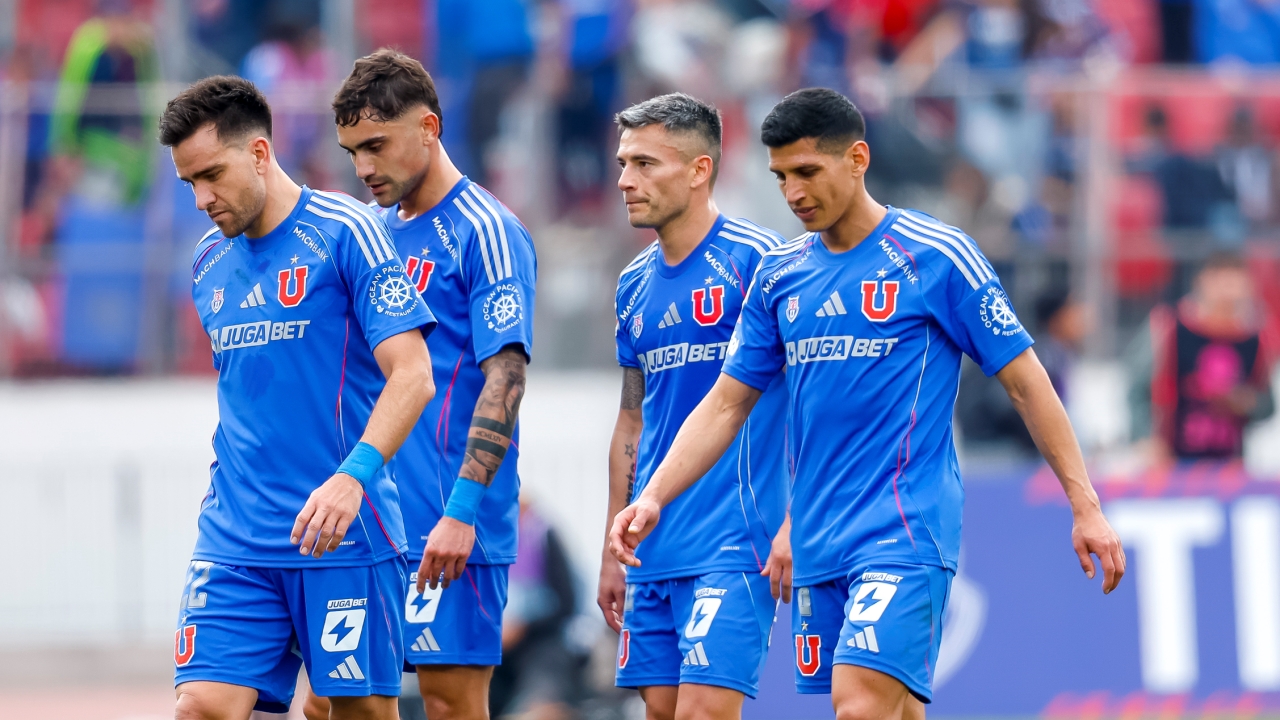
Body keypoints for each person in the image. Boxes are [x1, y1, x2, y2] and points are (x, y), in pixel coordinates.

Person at [608, 88, 1125, 720]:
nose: (794, 194)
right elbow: (725, 405)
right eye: (780, 178)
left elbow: (1026, 381)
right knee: (892, 709)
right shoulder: (780, 277)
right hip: (819, 536)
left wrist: (1085, 506)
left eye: (807, 173)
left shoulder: (935, 255)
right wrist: (654, 495)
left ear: (857, 158)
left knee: (859, 707)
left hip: (902, 525)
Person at [162, 76, 437, 719]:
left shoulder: (346, 233)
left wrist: (352, 479)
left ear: (259, 153)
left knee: (349, 712)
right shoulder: (207, 263)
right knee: (201, 705)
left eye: (211, 175)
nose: (202, 199)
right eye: (188, 184)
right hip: (236, 535)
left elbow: (413, 374)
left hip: (343, 535)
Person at [305, 49, 537, 720]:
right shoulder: (370, 236)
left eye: (376, 144)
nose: (364, 168)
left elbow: (508, 377)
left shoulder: (487, 232)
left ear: (430, 128)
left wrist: (462, 511)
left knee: (447, 703)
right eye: (352, 151)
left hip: (448, 520)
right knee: (328, 700)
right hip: (371, 521)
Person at [598, 93, 792, 720]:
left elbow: (811, 397)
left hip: (735, 537)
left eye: (646, 163)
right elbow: (634, 418)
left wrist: (797, 517)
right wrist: (612, 545)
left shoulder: (762, 264)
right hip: (653, 544)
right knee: (661, 711)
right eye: (624, 162)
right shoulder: (632, 283)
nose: (626, 180)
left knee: (703, 713)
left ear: (699, 169)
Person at [1126, 253, 1276, 460]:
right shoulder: (1168, 326)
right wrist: (1144, 438)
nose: (1228, 293)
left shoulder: (1255, 340)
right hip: (1171, 459)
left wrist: (1247, 403)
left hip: (1229, 462)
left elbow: (1267, 405)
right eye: (1221, 283)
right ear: (1202, 283)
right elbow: (1136, 386)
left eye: (1235, 283)